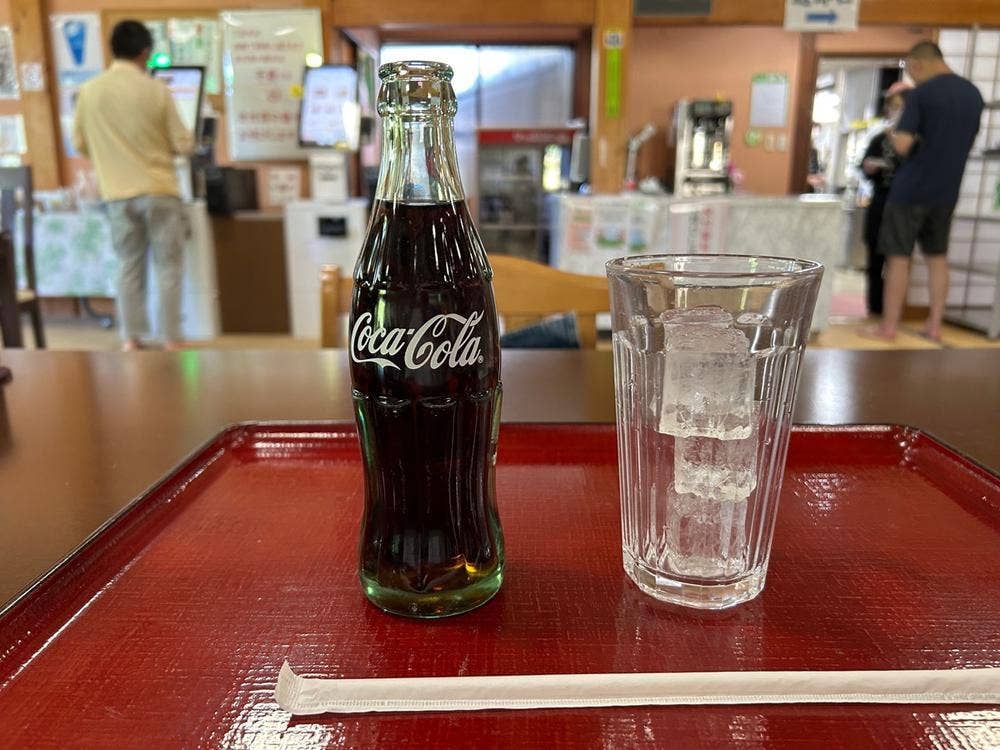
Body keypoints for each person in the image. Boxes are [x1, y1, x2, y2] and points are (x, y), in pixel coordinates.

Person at [72, 20, 194, 351]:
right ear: (145, 52)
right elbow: (183, 143)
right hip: (159, 190)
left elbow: (80, 144)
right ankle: (171, 338)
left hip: (116, 192)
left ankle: (131, 339)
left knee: (128, 264)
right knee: (169, 265)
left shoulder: (89, 91)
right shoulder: (156, 90)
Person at [864, 41, 983, 342]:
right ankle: (934, 324)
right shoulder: (973, 94)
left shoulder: (922, 94)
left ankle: (888, 326)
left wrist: (893, 132)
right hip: (947, 190)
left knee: (898, 258)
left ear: (916, 64)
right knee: (937, 257)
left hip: (909, 190)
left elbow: (903, 145)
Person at [859, 82, 911, 316]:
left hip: (901, 203)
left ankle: (893, 312)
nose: (894, 112)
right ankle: (874, 307)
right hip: (878, 201)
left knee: (897, 259)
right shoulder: (879, 139)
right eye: (892, 107)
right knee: (874, 258)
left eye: (899, 107)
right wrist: (868, 167)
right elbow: (863, 165)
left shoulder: (913, 140)